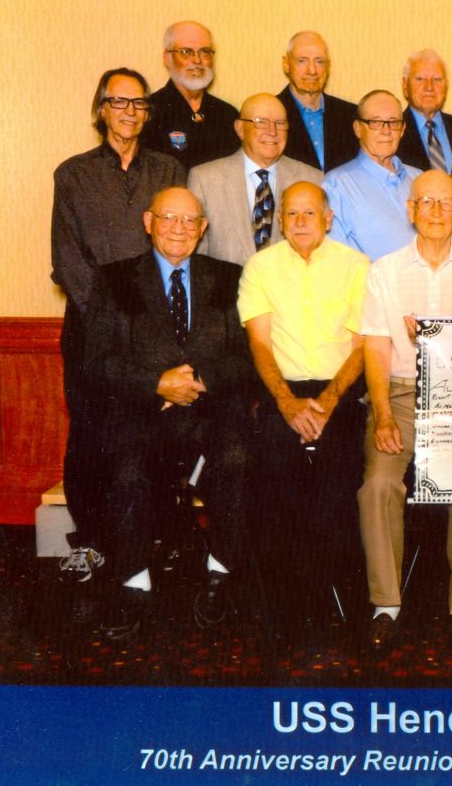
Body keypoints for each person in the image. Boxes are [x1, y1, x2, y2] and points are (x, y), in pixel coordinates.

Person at [83, 187, 253, 640]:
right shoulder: (115, 279)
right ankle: (133, 581)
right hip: (142, 412)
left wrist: (198, 381)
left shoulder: (229, 277)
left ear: (203, 227)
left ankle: (220, 573)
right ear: (148, 221)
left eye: (189, 220)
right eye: (168, 218)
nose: (179, 228)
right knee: (128, 470)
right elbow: (96, 363)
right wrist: (156, 383)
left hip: (210, 410)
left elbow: (247, 357)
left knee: (236, 458)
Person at [358, 170, 452, 651]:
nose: (437, 212)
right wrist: (382, 414)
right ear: (411, 210)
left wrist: (438, 343)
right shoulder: (384, 270)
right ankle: (385, 605)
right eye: (427, 202)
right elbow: (376, 348)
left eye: (446, 203)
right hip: (400, 395)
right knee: (378, 485)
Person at [51, 67, 186, 583]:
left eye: (139, 103)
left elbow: (178, 245)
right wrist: (117, 319)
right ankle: (89, 541)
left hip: (158, 329)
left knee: (155, 433)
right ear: (101, 108)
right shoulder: (73, 174)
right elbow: (68, 260)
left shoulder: (168, 169)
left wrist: (152, 323)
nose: (130, 112)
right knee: (89, 434)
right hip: (91, 329)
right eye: (119, 101)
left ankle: (156, 537)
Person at [238, 182, 370, 640]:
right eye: (291, 214)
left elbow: (363, 347)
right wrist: (286, 402)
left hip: (341, 391)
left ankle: (335, 595)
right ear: (279, 221)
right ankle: (286, 603)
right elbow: (259, 343)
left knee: (342, 478)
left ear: (328, 219)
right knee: (273, 477)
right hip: (283, 391)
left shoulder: (357, 266)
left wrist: (329, 402)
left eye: (309, 213)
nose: (299, 222)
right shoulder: (260, 267)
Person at [188, 93, 321, 265]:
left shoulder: (313, 179)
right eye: (261, 122)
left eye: (280, 123)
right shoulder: (204, 179)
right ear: (240, 129)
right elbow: (196, 259)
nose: (272, 131)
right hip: (228, 283)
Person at [320, 90, 421, 260]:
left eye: (393, 122)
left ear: (403, 129)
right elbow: (337, 262)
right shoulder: (335, 187)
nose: (386, 130)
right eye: (375, 122)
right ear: (358, 129)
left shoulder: (419, 179)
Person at [142, 21, 240, 170]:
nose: (197, 60)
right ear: (167, 58)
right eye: (186, 52)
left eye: (205, 52)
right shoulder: (149, 112)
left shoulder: (227, 114)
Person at [276, 31, 358, 172]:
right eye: (302, 61)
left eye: (319, 61)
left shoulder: (351, 115)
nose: (312, 70)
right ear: (286, 64)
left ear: (328, 66)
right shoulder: (269, 116)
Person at [396, 50, 452, 173]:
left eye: (437, 79)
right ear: (405, 86)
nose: (429, 87)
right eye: (420, 79)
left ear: (446, 86)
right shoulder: (392, 134)